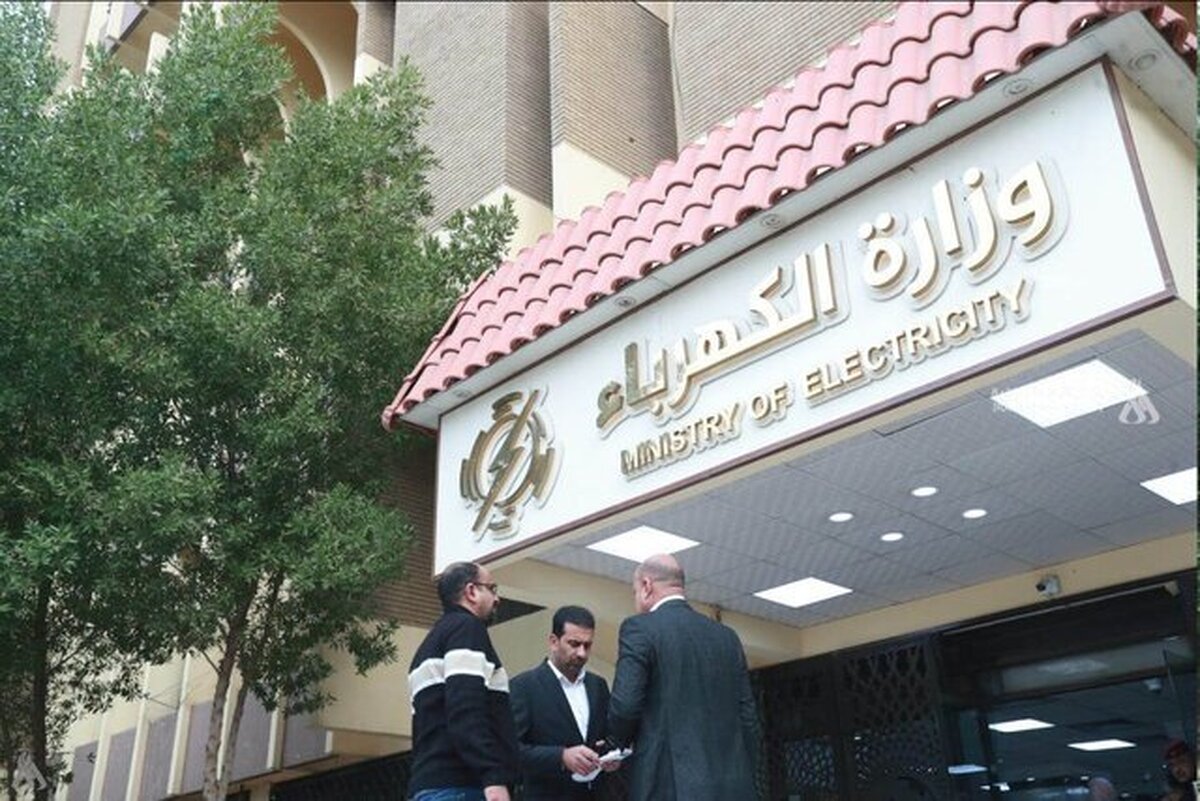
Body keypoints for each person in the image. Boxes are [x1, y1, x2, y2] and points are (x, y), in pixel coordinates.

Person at [605, 553, 759, 801]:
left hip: (669, 786)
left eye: (634, 592)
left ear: (646, 586)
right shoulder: (727, 637)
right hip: (733, 787)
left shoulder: (639, 629)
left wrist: (616, 746)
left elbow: (625, 705)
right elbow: (748, 718)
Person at [407, 562, 519, 801]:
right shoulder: (467, 629)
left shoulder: (428, 646)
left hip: (428, 785)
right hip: (463, 786)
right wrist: (493, 776)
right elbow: (466, 708)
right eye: (492, 588)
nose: (497, 599)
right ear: (471, 591)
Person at [510, 605, 618, 800]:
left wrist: (610, 757)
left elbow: (605, 737)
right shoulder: (524, 687)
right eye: (574, 644)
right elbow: (510, 749)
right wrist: (561, 756)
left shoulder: (598, 686)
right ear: (553, 642)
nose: (582, 653)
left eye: (587, 645)